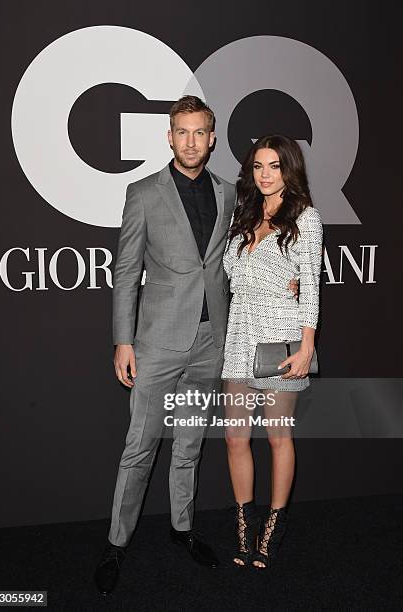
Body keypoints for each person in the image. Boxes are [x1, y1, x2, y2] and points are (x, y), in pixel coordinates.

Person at [94, 96, 237, 596]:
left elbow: (229, 264)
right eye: (182, 131)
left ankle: (182, 530)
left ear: (212, 138)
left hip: (208, 343)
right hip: (155, 344)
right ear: (169, 136)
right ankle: (116, 544)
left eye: (200, 132)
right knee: (140, 447)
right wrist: (123, 340)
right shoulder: (144, 192)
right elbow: (127, 272)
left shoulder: (228, 193)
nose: (191, 141)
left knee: (190, 447)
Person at [221, 135, 323, 569]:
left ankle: (273, 527)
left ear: (289, 169)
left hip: (280, 342)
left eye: (275, 166)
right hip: (238, 337)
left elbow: (311, 287)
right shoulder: (241, 215)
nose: (265, 174)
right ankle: (245, 524)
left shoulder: (307, 218)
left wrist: (306, 346)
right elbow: (229, 271)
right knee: (234, 437)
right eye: (259, 166)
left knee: (278, 437)